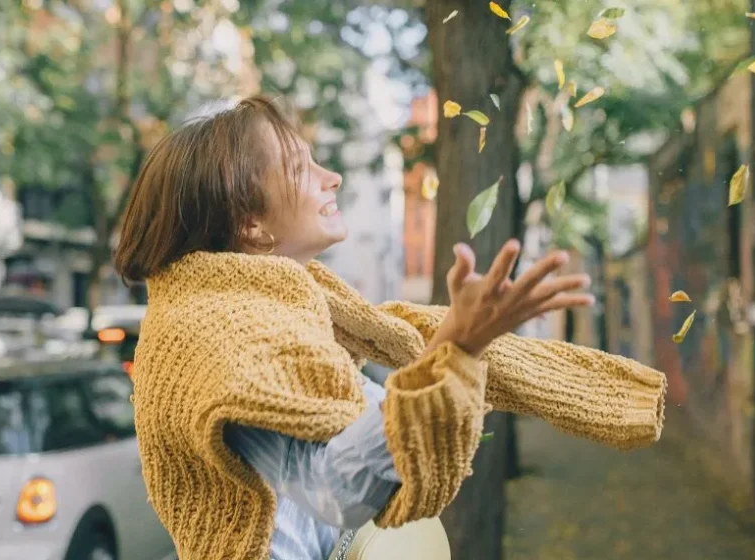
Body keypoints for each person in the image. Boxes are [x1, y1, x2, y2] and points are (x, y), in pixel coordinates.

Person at [113, 96, 667, 560]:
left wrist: (457, 349)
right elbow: (340, 488)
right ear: (249, 222)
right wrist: (457, 348)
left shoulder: (272, 313)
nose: (331, 178)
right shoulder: (222, 336)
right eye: (301, 169)